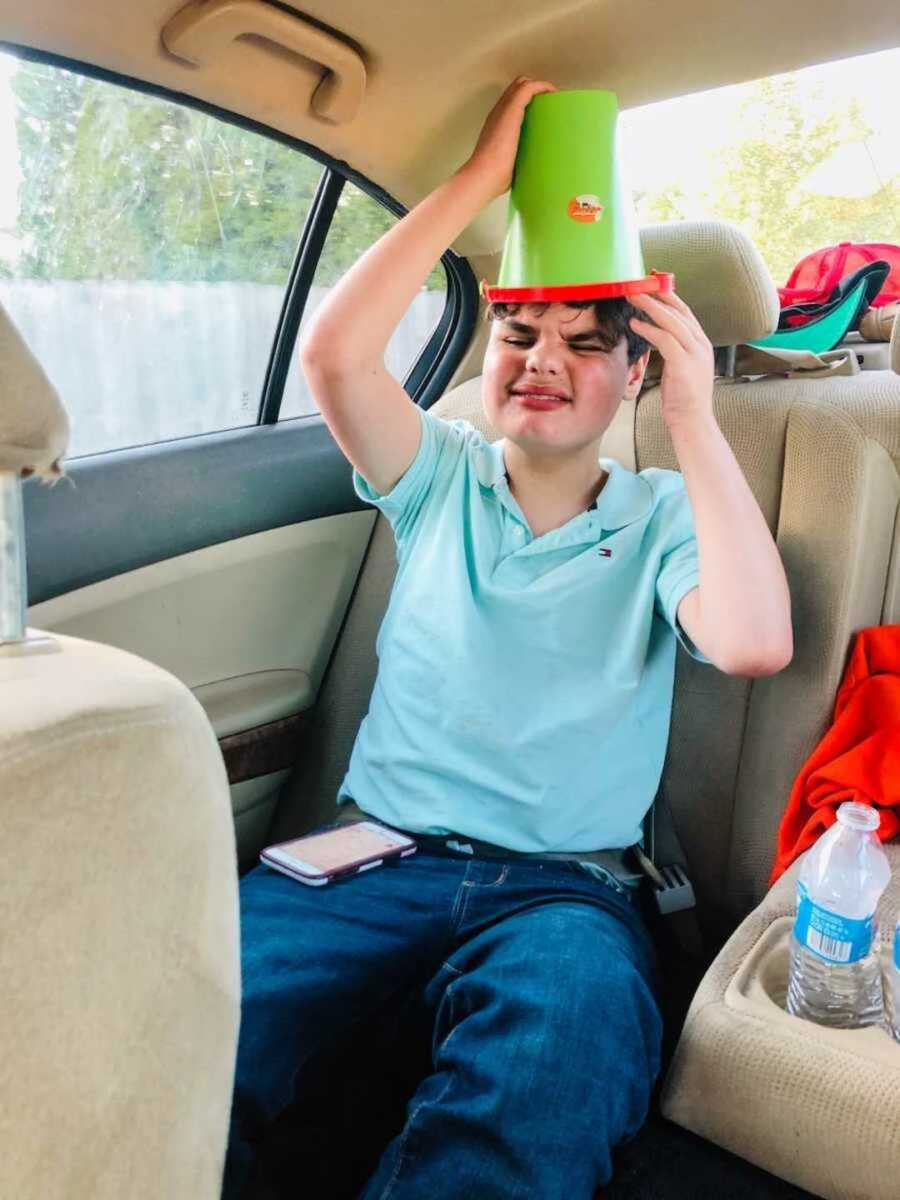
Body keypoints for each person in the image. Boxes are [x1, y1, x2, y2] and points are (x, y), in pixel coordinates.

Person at [222, 77, 793, 1199]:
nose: (541, 358)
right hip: (374, 860)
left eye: (586, 344)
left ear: (636, 372)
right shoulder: (439, 478)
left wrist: (693, 416)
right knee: (198, 1018)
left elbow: (751, 643)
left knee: (545, 1076)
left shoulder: (662, 516)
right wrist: (480, 182)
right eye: (519, 332)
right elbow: (337, 359)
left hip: (566, 893)